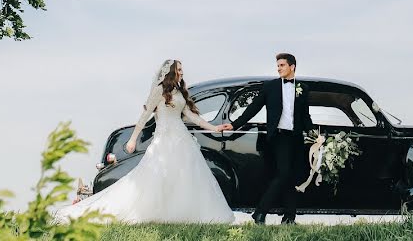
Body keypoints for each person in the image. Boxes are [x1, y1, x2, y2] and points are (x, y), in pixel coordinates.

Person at [55, 59, 234, 224]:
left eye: (182, 70)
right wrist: (132, 140)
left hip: (182, 138)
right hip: (163, 138)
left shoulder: (179, 92)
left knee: (185, 175)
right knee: (156, 176)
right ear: (171, 72)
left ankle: (181, 212)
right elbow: (145, 115)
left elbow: (191, 116)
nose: (182, 73)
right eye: (179, 70)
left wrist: (215, 128)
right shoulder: (159, 90)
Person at [230, 53, 312, 225]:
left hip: (296, 138)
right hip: (278, 137)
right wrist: (234, 125)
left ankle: (289, 218)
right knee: (283, 174)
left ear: (292, 67)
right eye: (278, 65)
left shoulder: (303, 88)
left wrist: (314, 134)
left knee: (292, 176)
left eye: (282, 65)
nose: (278, 68)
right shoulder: (271, 86)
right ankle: (260, 212)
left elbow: (305, 116)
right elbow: (253, 108)